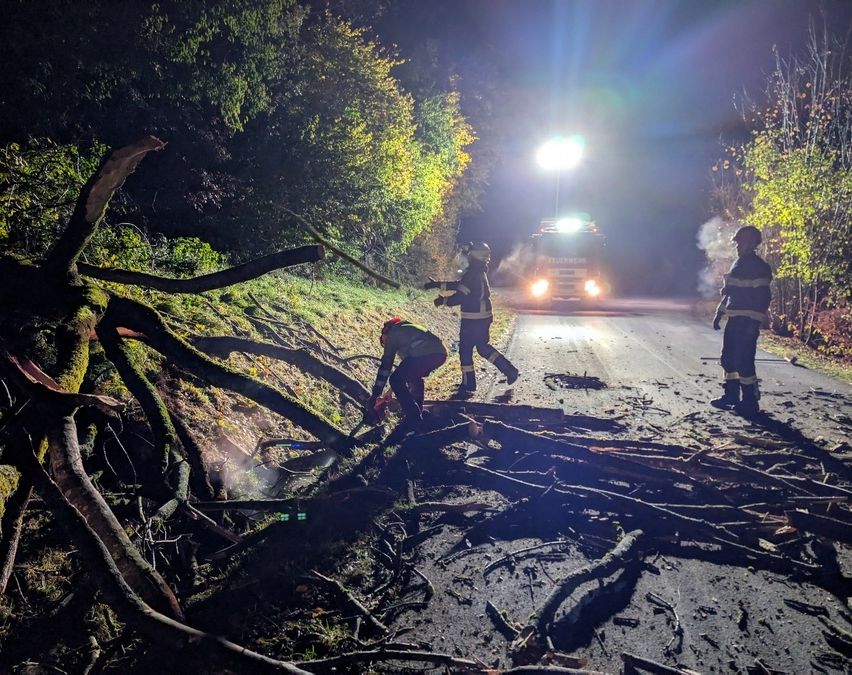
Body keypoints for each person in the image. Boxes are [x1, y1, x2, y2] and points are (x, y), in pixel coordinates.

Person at [426, 241, 519, 395]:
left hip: (473, 319)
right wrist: (437, 284)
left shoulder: (473, 274)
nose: (467, 257)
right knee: (482, 348)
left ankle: (469, 384)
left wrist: (442, 301)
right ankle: (508, 371)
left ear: (475, 256)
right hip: (481, 318)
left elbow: (459, 297)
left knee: (466, 350)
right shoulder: (477, 272)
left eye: (469, 255)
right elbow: (459, 285)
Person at [711, 225, 773, 416]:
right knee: (728, 358)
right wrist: (719, 313)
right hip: (735, 318)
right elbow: (729, 293)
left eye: (741, 243)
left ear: (752, 243)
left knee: (744, 361)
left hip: (748, 321)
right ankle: (731, 395)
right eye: (737, 243)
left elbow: (764, 296)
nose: (737, 246)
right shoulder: (737, 264)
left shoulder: (759, 267)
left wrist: (756, 321)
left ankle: (750, 401)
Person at [366, 318, 447, 423]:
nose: (386, 346)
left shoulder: (393, 334)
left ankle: (413, 417)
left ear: (386, 332)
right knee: (413, 378)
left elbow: (386, 366)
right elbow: (406, 373)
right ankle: (418, 414)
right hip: (439, 354)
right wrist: (390, 391)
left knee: (395, 379)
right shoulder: (407, 331)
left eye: (384, 342)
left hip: (428, 354)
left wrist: (375, 394)